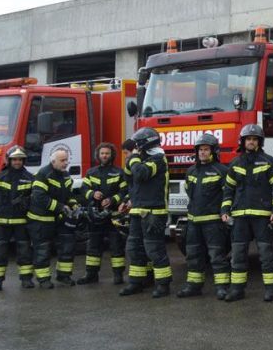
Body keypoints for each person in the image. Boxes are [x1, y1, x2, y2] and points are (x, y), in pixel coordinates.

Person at [221, 124, 273, 303]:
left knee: (266, 253)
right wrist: (225, 210)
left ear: (259, 142)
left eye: (254, 139)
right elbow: (228, 190)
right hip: (240, 216)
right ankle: (237, 289)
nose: (251, 142)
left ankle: (271, 289)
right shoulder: (235, 164)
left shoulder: (268, 162)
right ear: (242, 142)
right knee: (238, 254)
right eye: (248, 139)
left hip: (262, 215)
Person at [120, 127, 173, 298]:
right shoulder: (141, 159)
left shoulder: (158, 159)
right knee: (134, 248)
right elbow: (130, 177)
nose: (136, 147)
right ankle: (136, 282)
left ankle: (163, 285)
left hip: (153, 212)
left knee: (155, 250)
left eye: (138, 144)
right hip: (137, 210)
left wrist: (134, 158)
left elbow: (141, 174)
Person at [177, 133, 231, 299]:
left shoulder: (221, 171)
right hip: (194, 222)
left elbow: (228, 195)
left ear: (213, 151)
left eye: (206, 149)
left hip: (213, 223)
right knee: (193, 255)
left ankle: (222, 287)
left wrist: (224, 213)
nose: (202, 153)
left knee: (217, 256)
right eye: (200, 150)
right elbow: (189, 191)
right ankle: (194, 286)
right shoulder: (191, 171)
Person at [76, 142, 128, 285]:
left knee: (116, 246)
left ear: (112, 155)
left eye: (107, 153)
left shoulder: (119, 172)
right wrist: (92, 193)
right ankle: (91, 275)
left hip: (113, 216)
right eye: (102, 153)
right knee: (93, 246)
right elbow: (83, 190)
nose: (104, 155)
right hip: (95, 215)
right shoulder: (91, 172)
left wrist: (112, 200)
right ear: (98, 155)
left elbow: (124, 192)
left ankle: (118, 276)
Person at [0, 146, 35, 291]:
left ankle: (26, 279)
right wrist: (1, 208)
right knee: (0, 252)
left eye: (20, 159)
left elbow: (34, 198)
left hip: (21, 222)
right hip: (2, 222)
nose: (17, 162)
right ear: (9, 160)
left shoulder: (29, 178)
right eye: (14, 159)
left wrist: (25, 203)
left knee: (24, 251)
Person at [28, 149, 77, 289]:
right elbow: (39, 197)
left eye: (67, 160)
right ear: (53, 161)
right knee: (43, 249)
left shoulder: (66, 176)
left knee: (67, 247)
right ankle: (43, 279)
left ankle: (64, 275)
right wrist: (61, 207)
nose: (66, 163)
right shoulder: (43, 174)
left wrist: (73, 204)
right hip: (41, 219)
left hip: (59, 218)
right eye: (62, 160)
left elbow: (69, 195)